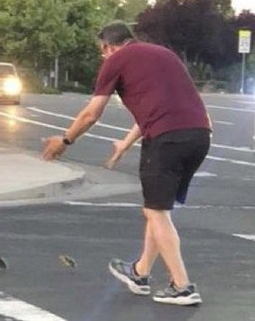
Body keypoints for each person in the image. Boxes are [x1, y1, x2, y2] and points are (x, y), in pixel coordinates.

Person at [41, 21, 211, 306]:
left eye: (102, 51)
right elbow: (162, 107)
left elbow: (92, 113)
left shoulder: (116, 60)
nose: (103, 56)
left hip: (166, 140)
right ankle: (140, 272)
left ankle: (182, 286)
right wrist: (125, 143)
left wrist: (66, 140)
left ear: (108, 46)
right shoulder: (164, 54)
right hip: (199, 136)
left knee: (156, 212)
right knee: (157, 208)